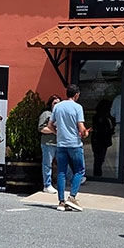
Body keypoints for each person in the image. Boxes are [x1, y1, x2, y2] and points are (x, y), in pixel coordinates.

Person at [50, 83, 91, 212]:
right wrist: (85, 133)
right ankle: (72, 197)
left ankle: (61, 202)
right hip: (74, 144)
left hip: (61, 144)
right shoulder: (78, 107)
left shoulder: (58, 107)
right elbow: (81, 128)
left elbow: (50, 125)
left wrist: (58, 133)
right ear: (77, 94)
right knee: (79, 171)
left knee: (61, 172)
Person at [39, 95, 62, 194]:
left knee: (63, 163)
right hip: (48, 143)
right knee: (47, 165)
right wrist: (54, 131)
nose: (57, 105)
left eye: (59, 103)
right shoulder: (46, 114)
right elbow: (41, 128)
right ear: (50, 104)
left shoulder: (60, 114)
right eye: (55, 103)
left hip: (59, 143)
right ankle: (47, 185)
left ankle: (72, 178)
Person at [90, 98, 114, 177]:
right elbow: (100, 129)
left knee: (100, 158)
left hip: (102, 139)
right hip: (99, 140)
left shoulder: (107, 116)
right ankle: (97, 174)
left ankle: (98, 173)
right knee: (98, 158)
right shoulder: (100, 117)